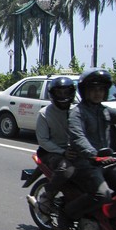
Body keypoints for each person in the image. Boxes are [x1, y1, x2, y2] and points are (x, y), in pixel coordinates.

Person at [65, 68, 116, 221]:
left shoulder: (104, 111)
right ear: (84, 91)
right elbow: (78, 138)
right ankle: (67, 214)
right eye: (93, 89)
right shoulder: (77, 113)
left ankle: (113, 218)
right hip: (85, 164)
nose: (97, 93)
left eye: (101, 89)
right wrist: (94, 154)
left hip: (106, 162)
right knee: (103, 195)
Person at [35, 76, 77, 214]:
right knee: (67, 169)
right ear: (53, 94)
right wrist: (62, 152)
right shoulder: (44, 113)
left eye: (66, 92)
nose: (63, 96)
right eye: (59, 92)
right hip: (50, 152)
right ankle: (47, 197)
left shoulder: (77, 111)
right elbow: (43, 141)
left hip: (75, 150)